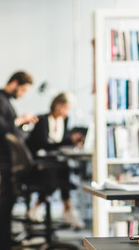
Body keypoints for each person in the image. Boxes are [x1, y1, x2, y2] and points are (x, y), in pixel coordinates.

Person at [0, 71, 38, 250]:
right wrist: (19, 120)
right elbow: (1, 130)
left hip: (9, 158)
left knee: (9, 201)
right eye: (23, 89)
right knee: (5, 202)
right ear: (14, 83)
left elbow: (11, 128)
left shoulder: (5, 101)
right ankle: (0, 243)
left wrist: (23, 123)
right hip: (5, 158)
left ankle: (6, 239)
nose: (22, 94)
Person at [26, 92, 86, 229]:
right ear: (57, 106)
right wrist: (68, 140)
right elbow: (44, 143)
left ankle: (44, 206)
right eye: (65, 108)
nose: (67, 112)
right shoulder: (42, 121)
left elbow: (61, 141)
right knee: (60, 171)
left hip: (52, 161)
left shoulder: (64, 121)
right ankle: (64, 209)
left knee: (63, 168)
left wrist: (72, 140)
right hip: (37, 163)